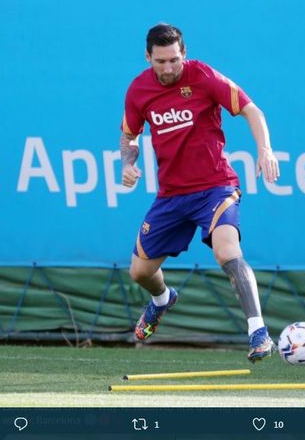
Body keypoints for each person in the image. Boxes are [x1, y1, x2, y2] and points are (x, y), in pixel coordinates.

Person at [119, 23, 280, 362]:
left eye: (174, 60)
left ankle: (258, 332)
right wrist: (127, 162)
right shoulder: (138, 90)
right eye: (160, 61)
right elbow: (130, 135)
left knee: (226, 252)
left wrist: (264, 150)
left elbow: (252, 110)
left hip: (215, 187)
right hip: (171, 195)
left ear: (184, 54)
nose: (168, 68)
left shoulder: (203, 76)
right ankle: (163, 300)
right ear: (147, 57)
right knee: (140, 272)